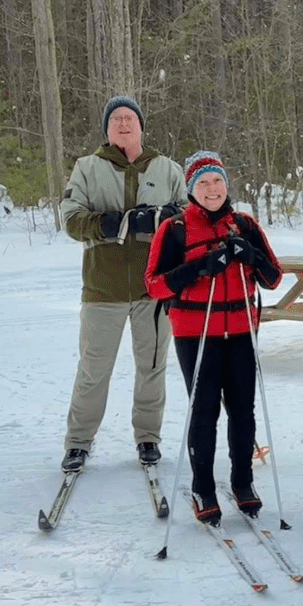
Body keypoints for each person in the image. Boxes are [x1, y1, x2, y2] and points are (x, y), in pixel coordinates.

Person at [145, 152, 283, 523]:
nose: (211, 189)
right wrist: (198, 268)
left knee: (243, 411)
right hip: (196, 333)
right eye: (203, 183)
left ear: (226, 184)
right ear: (191, 188)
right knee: (203, 411)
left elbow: (274, 278)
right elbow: (155, 285)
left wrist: (250, 254)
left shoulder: (245, 224)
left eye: (217, 181)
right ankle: (203, 486)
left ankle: (243, 482)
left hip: (240, 331)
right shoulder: (174, 228)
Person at [58, 96, 188, 474]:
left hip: (155, 290)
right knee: (94, 369)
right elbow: (70, 218)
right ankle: (78, 443)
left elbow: (188, 214)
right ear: (107, 129)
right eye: (116, 119)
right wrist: (112, 224)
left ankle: (148, 437)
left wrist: (162, 220)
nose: (123, 123)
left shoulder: (166, 168)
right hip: (103, 287)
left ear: (142, 126)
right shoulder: (87, 167)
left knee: (152, 366)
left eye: (130, 117)